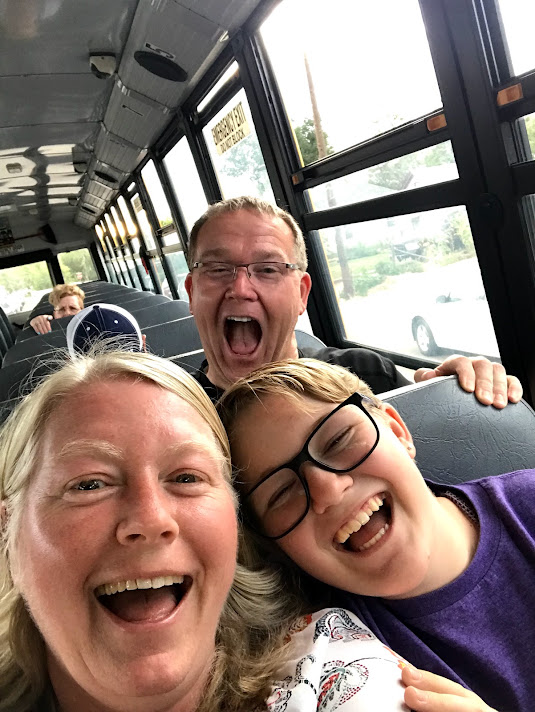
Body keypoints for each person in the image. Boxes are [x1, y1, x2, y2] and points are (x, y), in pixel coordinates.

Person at [0, 350, 485, 712]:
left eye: (186, 477)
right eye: (89, 484)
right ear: (8, 533)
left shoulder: (331, 676)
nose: (151, 519)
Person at [219, 358, 535, 712]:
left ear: (398, 433)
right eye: (281, 493)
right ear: (279, 549)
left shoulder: (528, 503)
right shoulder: (328, 656)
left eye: (338, 440)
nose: (328, 490)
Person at [184, 196, 522, 408]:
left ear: (301, 294)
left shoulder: (370, 378)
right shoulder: (174, 420)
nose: (241, 288)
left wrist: (452, 396)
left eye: (268, 269)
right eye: (217, 269)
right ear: (191, 293)